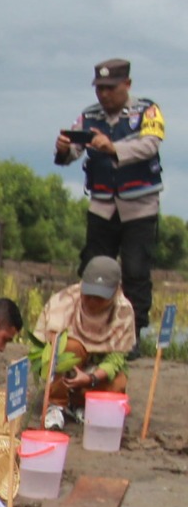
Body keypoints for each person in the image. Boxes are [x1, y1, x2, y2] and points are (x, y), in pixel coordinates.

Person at [54, 58, 164, 347]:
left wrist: (113, 148)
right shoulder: (89, 116)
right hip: (102, 205)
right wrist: (64, 150)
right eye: (99, 88)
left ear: (126, 85)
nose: (104, 95)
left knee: (136, 271)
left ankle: (133, 336)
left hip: (139, 206)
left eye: (110, 88)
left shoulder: (147, 111)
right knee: (92, 267)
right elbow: (74, 151)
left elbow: (151, 143)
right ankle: (86, 332)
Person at [34, 256, 140, 425]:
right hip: (67, 368)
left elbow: (116, 358)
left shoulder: (123, 311)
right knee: (68, 346)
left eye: (100, 297)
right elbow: (43, 350)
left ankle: (80, 405)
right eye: (89, 295)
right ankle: (56, 404)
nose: (92, 302)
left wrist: (91, 377)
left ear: (115, 292)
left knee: (119, 382)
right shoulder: (63, 302)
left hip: (96, 372)